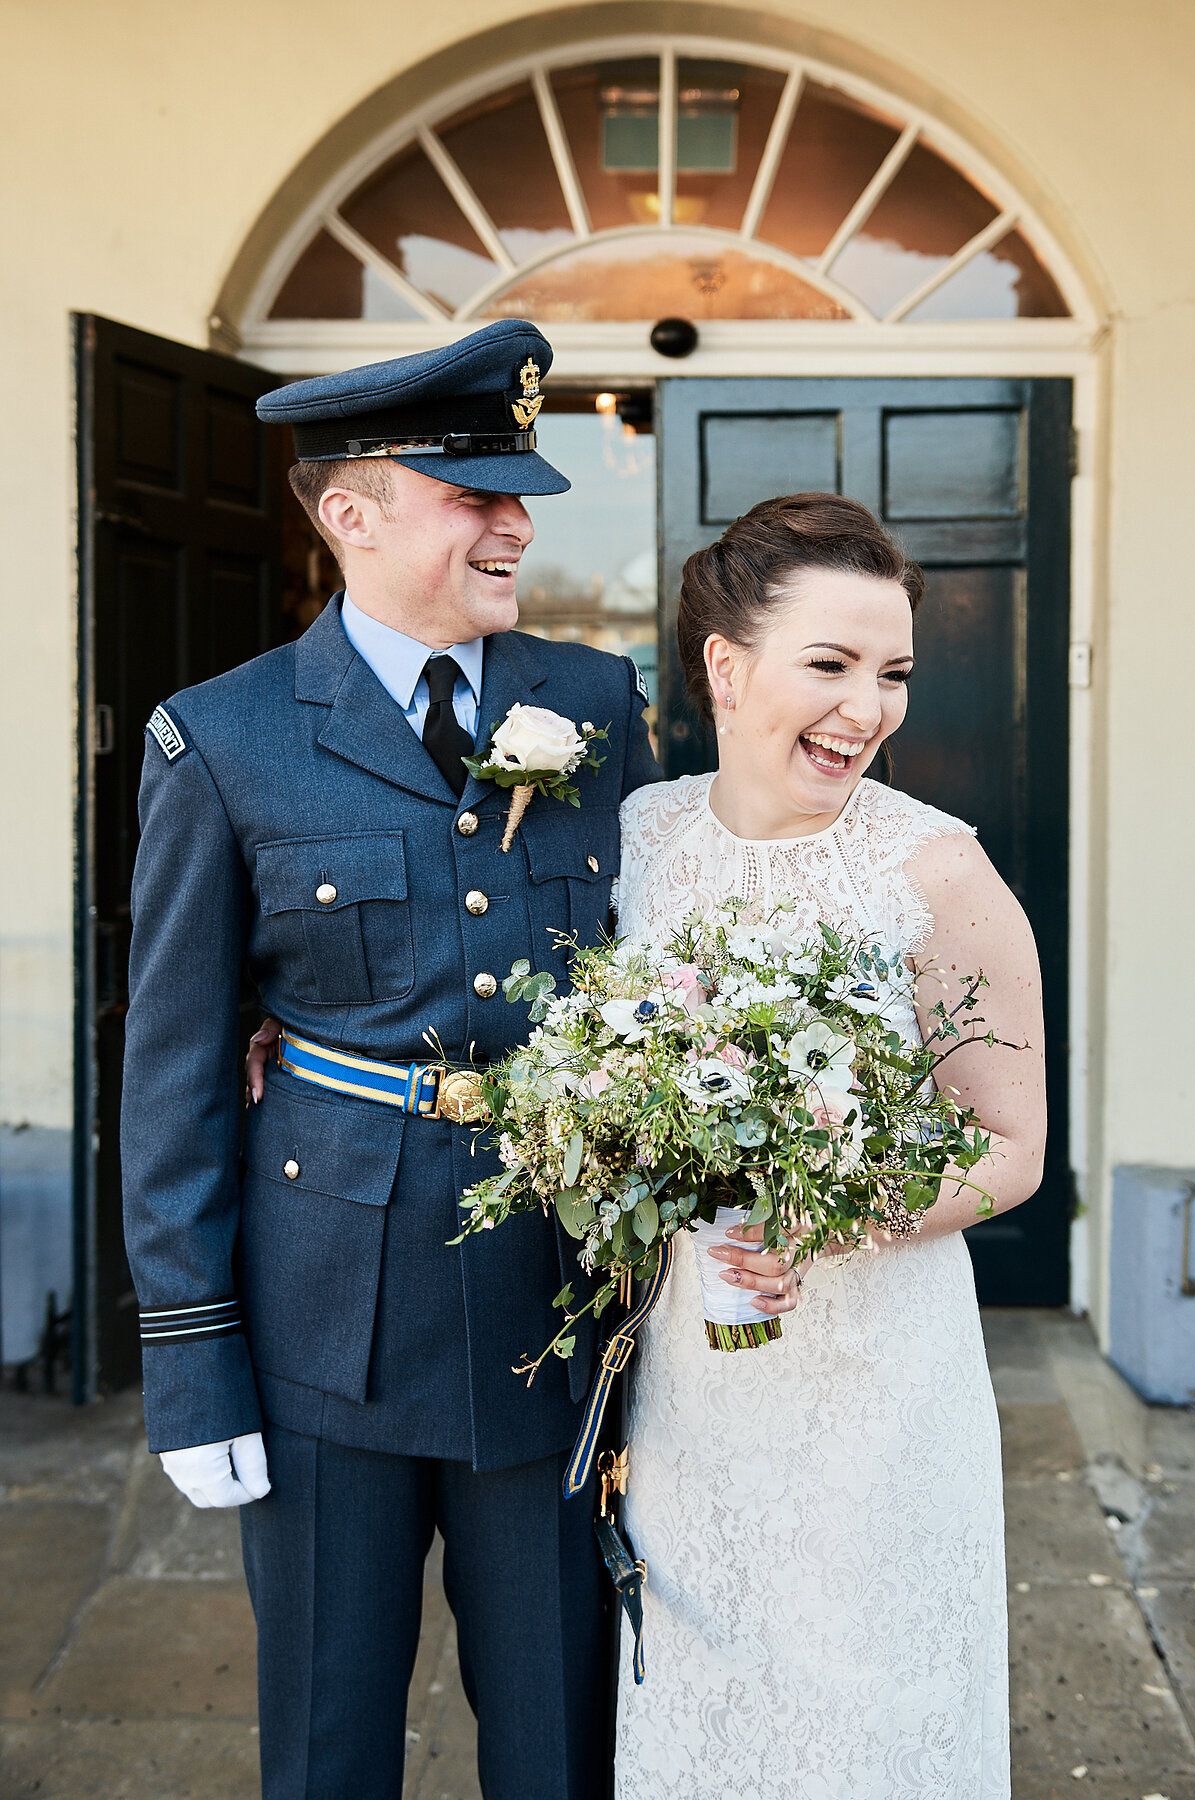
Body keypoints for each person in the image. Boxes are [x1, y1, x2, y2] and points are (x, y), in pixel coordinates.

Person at [121, 318, 799, 1800]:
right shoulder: (222, 740)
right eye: (473, 493)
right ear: (349, 513)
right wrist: (191, 1367)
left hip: (545, 1314)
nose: (515, 520)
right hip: (324, 1330)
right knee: (326, 1744)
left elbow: (671, 964)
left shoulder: (600, 704)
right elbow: (170, 1073)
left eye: (520, 491)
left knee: (563, 1745)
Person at [609, 493, 1046, 1799]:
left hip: (874, 1387)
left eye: (894, 671)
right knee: (703, 1702)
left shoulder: (936, 872)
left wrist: (836, 1218)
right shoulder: (636, 841)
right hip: (694, 1378)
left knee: (866, 1716)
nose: (870, 708)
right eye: (834, 664)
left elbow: (1012, 1147)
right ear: (726, 669)